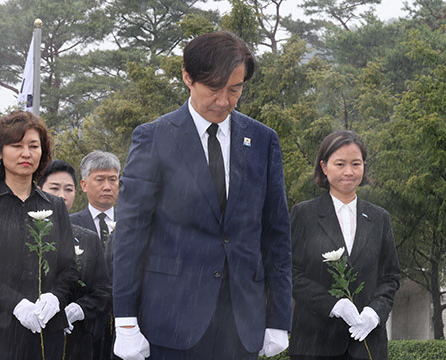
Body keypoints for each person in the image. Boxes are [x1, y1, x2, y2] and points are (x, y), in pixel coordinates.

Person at [112, 31, 292, 360]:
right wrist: (124, 320)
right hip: (171, 321)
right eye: (213, 89)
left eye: (235, 89)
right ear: (187, 78)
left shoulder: (262, 141)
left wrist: (279, 317)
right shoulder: (154, 138)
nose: (224, 101)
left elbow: (276, 233)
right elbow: (130, 233)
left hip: (242, 325)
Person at [0, 110, 77, 360]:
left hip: (46, 329)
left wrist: (55, 298)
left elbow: (68, 268)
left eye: (34, 146)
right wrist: (15, 304)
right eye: (17, 145)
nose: (26, 153)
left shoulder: (55, 206)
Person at [289, 130, 400, 360]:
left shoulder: (379, 218)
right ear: (324, 166)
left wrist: (375, 312)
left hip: (367, 344)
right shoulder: (304, 214)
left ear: (364, 166)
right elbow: (291, 274)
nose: (348, 172)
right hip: (315, 344)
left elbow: (390, 277)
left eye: (356, 164)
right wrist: (333, 305)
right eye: (340, 164)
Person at [38, 160, 112, 360]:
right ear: (39, 190)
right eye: (54, 188)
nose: (62, 195)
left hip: (76, 342)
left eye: (68, 189)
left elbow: (103, 291)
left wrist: (80, 309)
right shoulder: (24, 234)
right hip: (31, 339)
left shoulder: (88, 238)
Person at [70, 150, 120, 250]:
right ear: (84, 185)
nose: (107, 187)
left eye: (112, 180)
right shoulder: (70, 224)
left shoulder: (129, 222)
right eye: (99, 180)